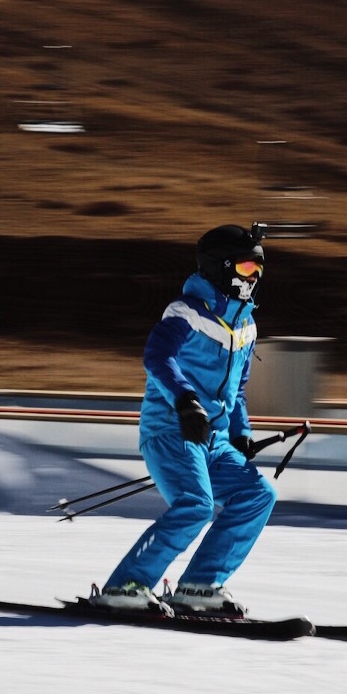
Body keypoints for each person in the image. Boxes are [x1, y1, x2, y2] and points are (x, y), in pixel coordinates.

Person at [91, 223, 275, 616]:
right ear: (220, 267)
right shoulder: (186, 312)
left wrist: (241, 434)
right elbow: (158, 358)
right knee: (196, 505)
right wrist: (186, 401)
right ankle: (125, 586)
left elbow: (237, 391)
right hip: (172, 429)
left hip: (213, 438)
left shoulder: (246, 326)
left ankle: (199, 585)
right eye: (246, 268)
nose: (254, 278)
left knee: (258, 494)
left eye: (258, 269)